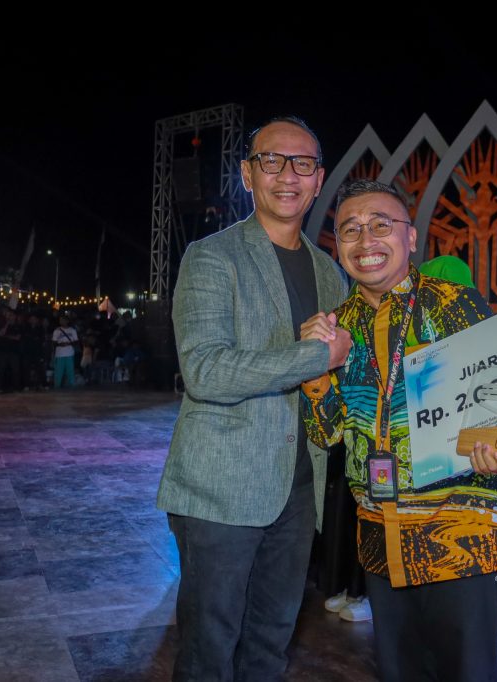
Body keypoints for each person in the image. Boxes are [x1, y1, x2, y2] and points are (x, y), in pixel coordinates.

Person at [302, 180, 497, 682]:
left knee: (467, 672)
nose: (366, 240)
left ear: (411, 237)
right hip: (381, 536)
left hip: (461, 533)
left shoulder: (455, 303)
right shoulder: (338, 326)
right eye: (351, 230)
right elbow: (326, 433)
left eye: (381, 225)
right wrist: (315, 366)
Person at [156, 116, 350, 682]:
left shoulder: (329, 273)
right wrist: (314, 356)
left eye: (303, 164)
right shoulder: (211, 256)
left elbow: (338, 379)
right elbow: (205, 370)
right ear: (247, 174)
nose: (287, 174)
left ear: (319, 180)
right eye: (271, 160)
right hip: (222, 490)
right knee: (208, 651)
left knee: (270, 643)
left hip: (299, 489)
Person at [51, 314, 78, 388]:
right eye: (60, 320)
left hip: (69, 353)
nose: (61, 321)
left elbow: (76, 341)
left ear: (67, 321)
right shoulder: (56, 331)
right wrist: (60, 344)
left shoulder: (72, 330)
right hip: (59, 354)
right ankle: (57, 386)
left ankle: (72, 386)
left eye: (63, 320)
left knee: (70, 371)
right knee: (59, 371)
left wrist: (68, 343)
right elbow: (54, 342)